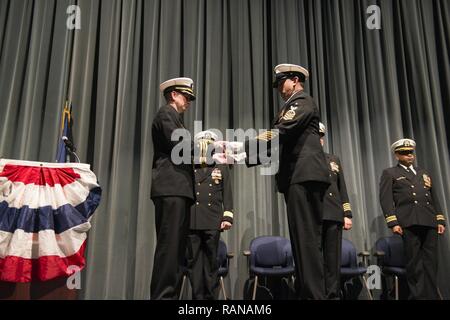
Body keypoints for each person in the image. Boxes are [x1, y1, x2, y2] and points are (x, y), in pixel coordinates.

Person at [216, 64, 331, 299]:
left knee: (307, 242)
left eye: (282, 83)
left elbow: (278, 133)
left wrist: (240, 145)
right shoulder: (289, 107)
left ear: (296, 80)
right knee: (302, 242)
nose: (279, 88)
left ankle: (314, 296)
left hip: (305, 176)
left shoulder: (302, 101)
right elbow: (275, 149)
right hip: (296, 178)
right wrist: (237, 157)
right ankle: (307, 294)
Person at [379, 138, 446, 299]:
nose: (409, 156)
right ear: (397, 155)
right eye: (404, 153)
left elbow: (433, 196)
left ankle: (431, 296)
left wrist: (440, 219)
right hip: (409, 221)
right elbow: (386, 199)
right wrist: (393, 222)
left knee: (431, 263)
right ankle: (418, 296)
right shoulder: (390, 173)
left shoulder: (423, 173)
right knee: (414, 263)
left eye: (411, 153)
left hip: (429, 220)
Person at [150, 77, 196, 299]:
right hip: (171, 189)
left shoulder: (177, 119)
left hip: (180, 190)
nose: (188, 101)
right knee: (169, 250)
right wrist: (207, 147)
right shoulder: (166, 114)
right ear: (174, 95)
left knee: (177, 252)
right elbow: (180, 146)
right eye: (185, 96)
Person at [186, 130, 234, 300]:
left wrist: (227, 216)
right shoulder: (189, 165)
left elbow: (227, 193)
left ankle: (210, 299)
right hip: (193, 219)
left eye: (209, 143)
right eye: (203, 143)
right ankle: (197, 299)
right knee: (193, 263)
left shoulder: (220, 166)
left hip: (212, 219)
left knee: (211, 263)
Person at [318, 122, 353, 299]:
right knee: (314, 259)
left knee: (332, 259)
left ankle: (332, 295)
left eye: (321, 136)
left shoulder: (333, 159)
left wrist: (347, 213)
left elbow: (342, 188)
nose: (319, 140)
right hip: (313, 215)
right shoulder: (302, 158)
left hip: (333, 213)